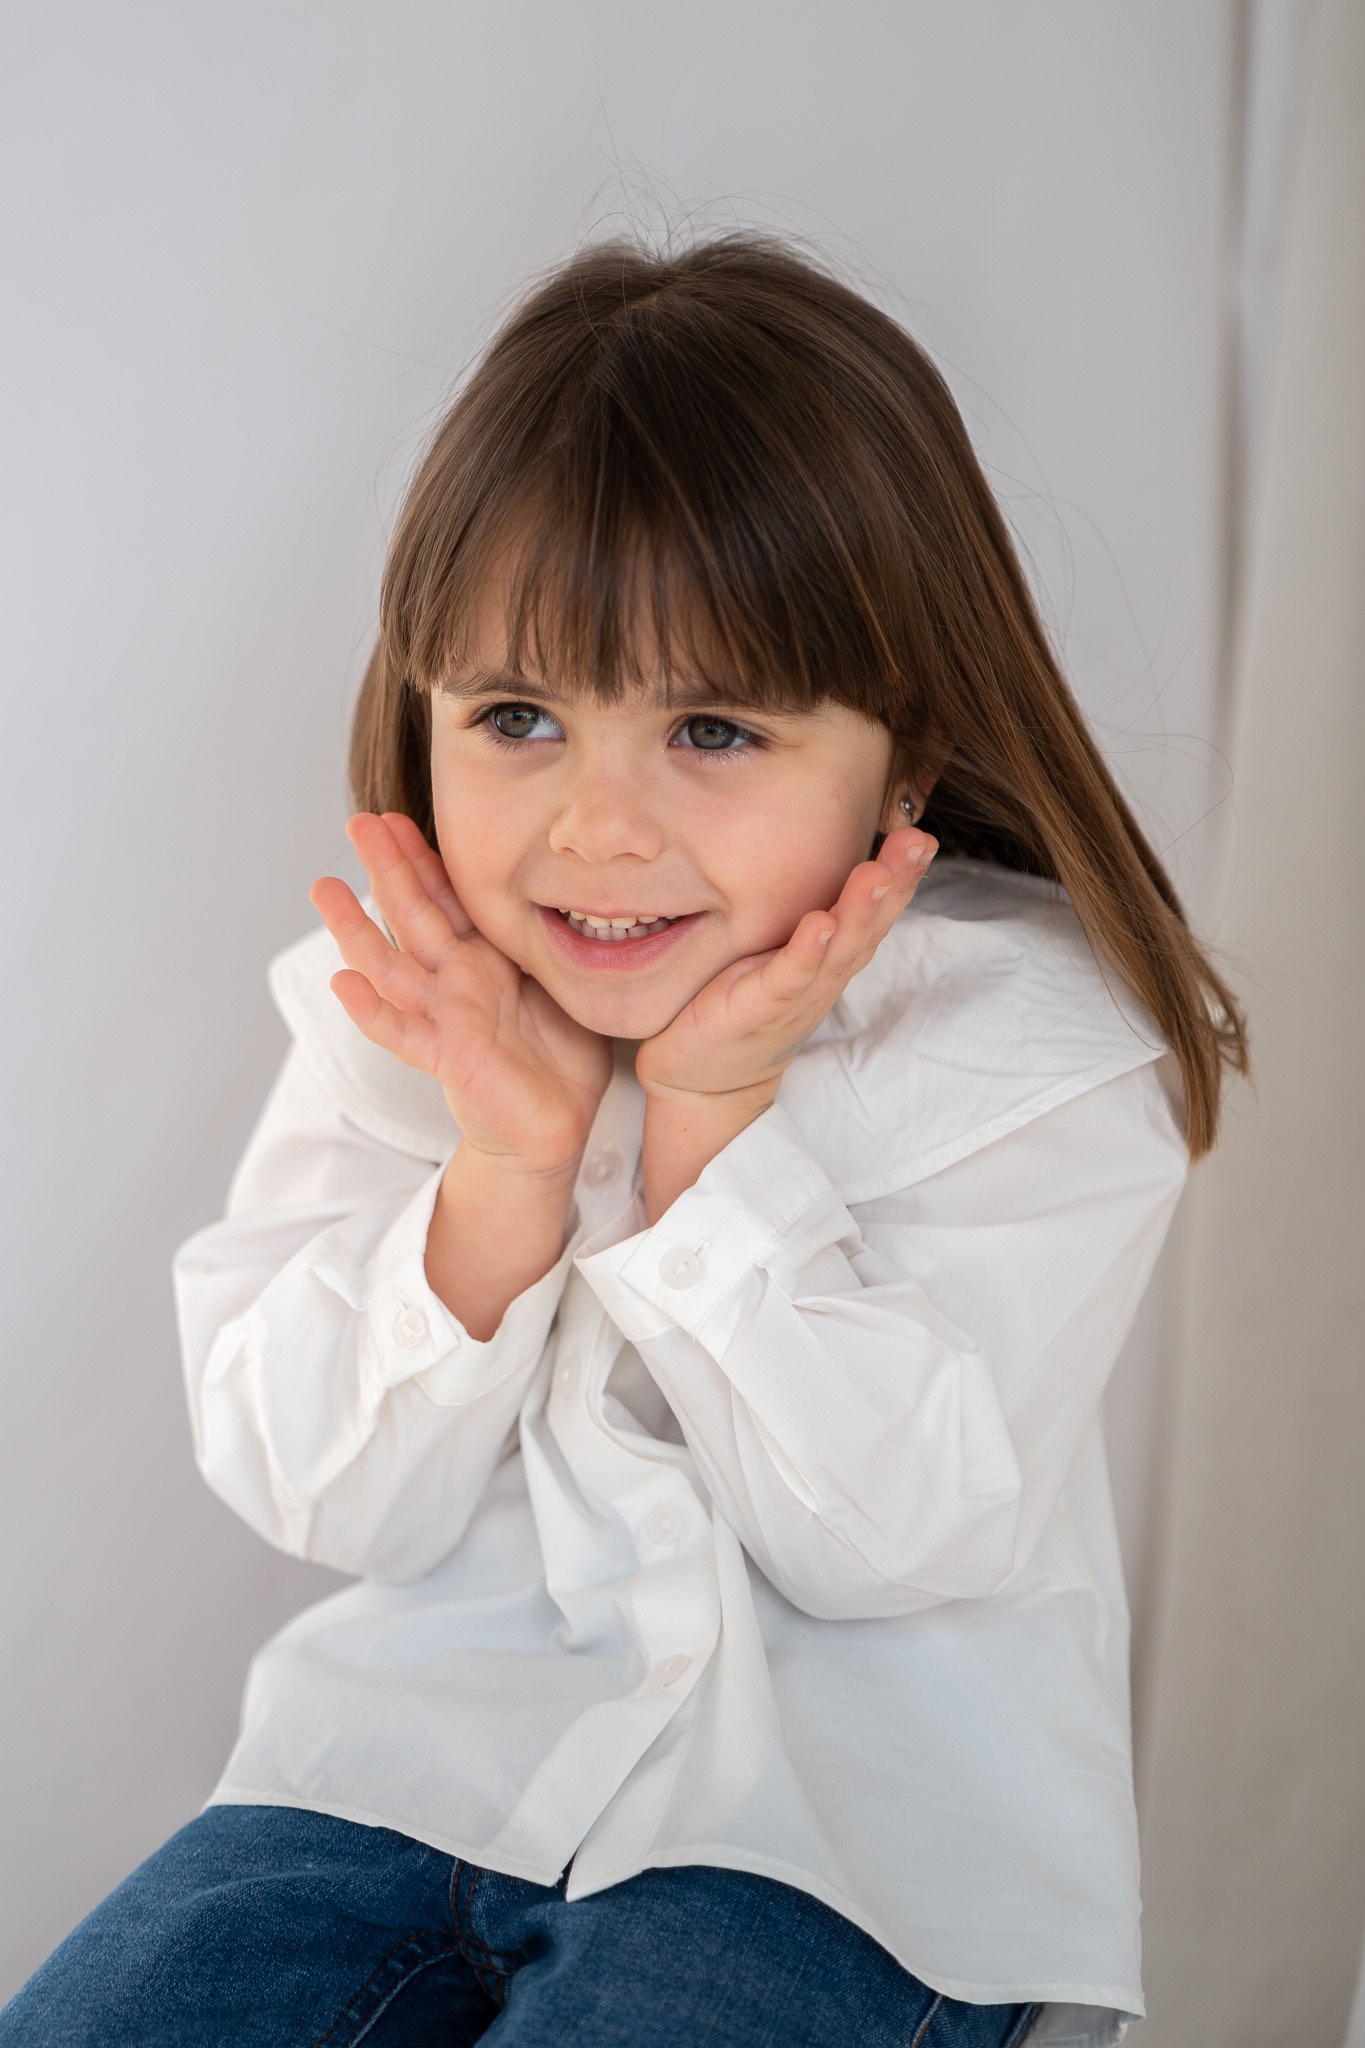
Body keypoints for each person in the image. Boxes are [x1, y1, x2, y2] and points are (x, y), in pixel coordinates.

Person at [0, 228, 1249, 2048]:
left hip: (839, 1850)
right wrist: (502, 1175)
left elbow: (892, 1540)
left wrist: (711, 1134)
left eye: (712, 729)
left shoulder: (1025, 1044)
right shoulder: (407, 1008)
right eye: (515, 718)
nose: (596, 829)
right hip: (395, 1772)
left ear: (900, 760)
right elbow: (327, 1495)